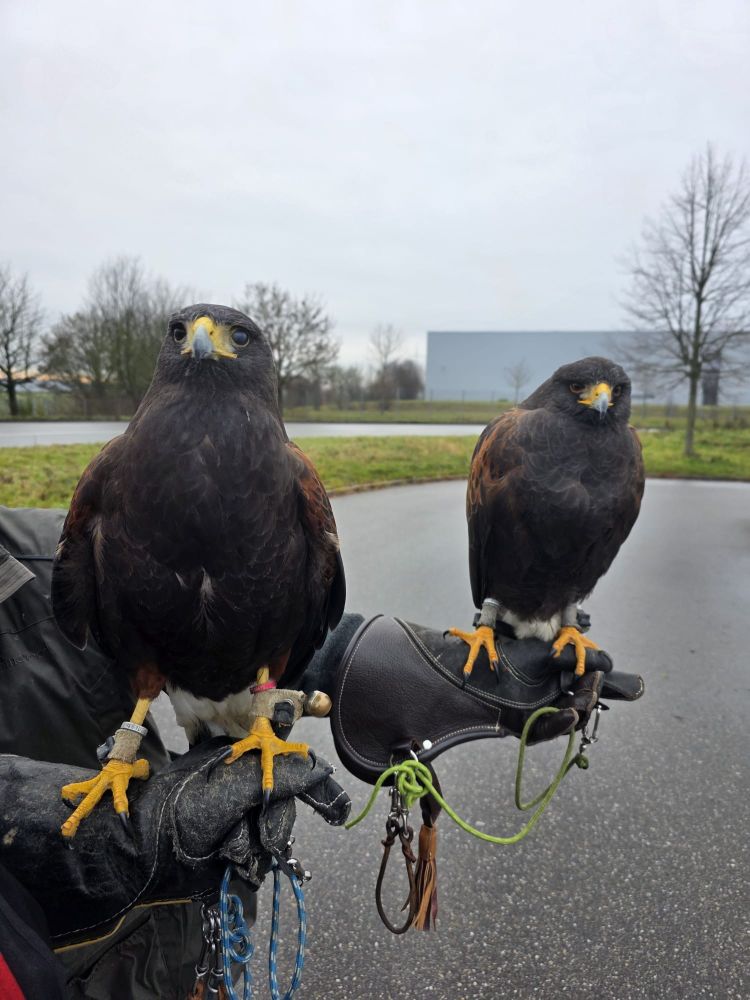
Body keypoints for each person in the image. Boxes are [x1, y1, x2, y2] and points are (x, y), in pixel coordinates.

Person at [0, 506, 642, 998]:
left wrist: (401, 669)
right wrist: (118, 839)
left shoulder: (52, 551)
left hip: (189, 950)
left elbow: (242, 630)